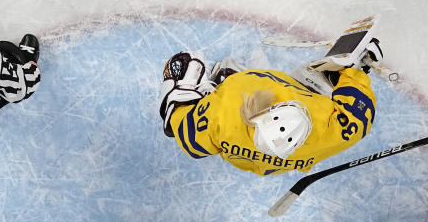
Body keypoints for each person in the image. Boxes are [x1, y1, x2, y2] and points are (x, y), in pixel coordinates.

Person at [158, 35, 383, 176]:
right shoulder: (328, 130)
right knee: (324, 89)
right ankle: (315, 88)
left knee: (196, 69)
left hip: (247, 147)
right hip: (267, 161)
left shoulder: (224, 113)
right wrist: (355, 72)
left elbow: (189, 139)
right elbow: (358, 114)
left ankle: (224, 78)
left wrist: (177, 99)